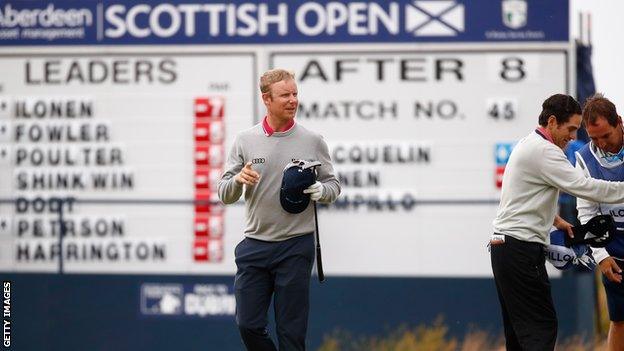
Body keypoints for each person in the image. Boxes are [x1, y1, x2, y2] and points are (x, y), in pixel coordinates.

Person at [218, 68, 341, 351]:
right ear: (266, 99)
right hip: (255, 246)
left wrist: (322, 191)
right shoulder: (245, 141)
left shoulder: (313, 140)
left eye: (295, 94)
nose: (293, 100)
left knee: (291, 335)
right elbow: (224, 193)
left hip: (295, 247)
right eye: (285, 95)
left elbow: (333, 185)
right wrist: (238, 180)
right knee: (248, 325)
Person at [490, 94, 624, 351]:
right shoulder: (546, 151)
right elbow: (585, 188)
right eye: (571, 129)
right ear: (552, 122)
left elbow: (523, 196)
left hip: (505, 248)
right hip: (520, 250)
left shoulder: (529, 144)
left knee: (519, 336)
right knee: (540, 329)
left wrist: (555, 220)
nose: (574, 137)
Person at [575, 93, 624, 351]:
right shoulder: (584, 157)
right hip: (616, 255)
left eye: (606, 135)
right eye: (594, 138)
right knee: (619, 321)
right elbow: (586, 210)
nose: (601, 143)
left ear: (619, 122)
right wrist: (601, 255)